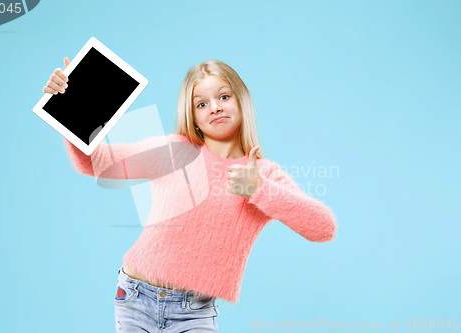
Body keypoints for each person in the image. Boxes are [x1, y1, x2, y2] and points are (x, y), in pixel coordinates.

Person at [43, 57, 338, 332]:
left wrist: (258, 189)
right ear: (193, 116)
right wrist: (70, 107)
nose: (215, 107)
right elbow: (96, 163)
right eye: (201, 103)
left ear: (241, 101)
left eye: (224, 96)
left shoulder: (263, 174)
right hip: (135, 296)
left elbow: (324, 227)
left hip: (194, 312)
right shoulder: (175, 150)